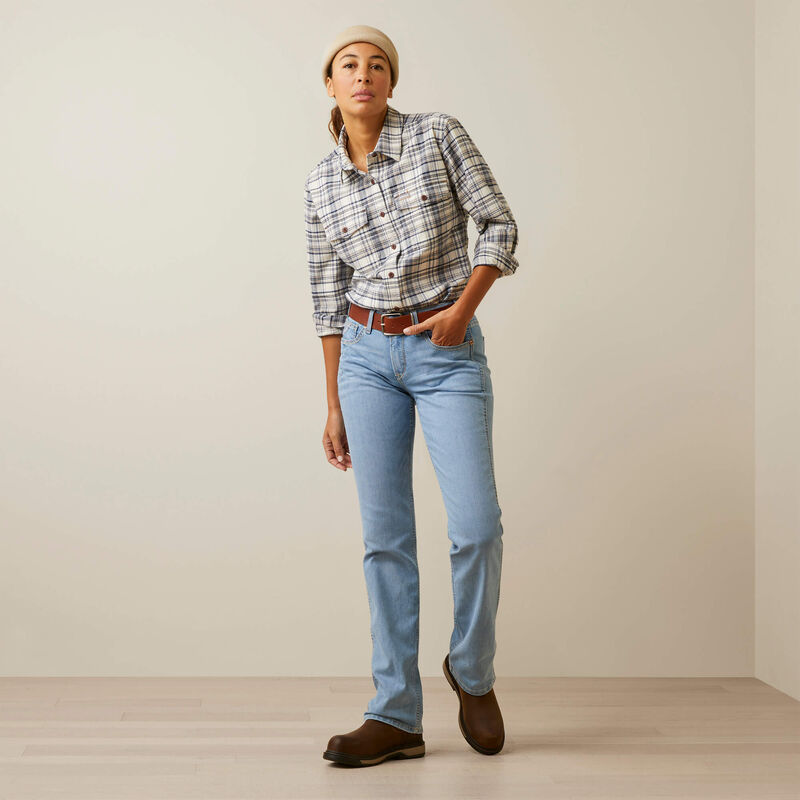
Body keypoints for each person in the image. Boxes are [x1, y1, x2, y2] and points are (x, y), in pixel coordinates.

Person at [305, 24, 519, 767]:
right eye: (348, 65)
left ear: (391, 81)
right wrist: (334, 401)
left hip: (446, 351)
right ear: (330, 84)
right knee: (385, 539)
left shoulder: (438, 135)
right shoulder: (320, 183)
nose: (363, 74)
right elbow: (326, 296)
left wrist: (462, 311)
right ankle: (396, 713)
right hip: (365, 359)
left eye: (377, 65)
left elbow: (498, 224)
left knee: (478, 527)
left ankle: (472, 671)